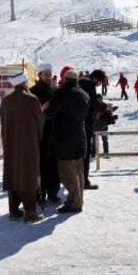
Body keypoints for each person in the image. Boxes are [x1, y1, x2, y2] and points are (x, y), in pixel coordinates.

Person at [1, 71, 45, 222]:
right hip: (29, 144)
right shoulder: (32, 100)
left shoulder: (5, 100)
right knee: (29, 175)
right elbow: (41, 124)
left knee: (13, 174)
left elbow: (3, 123)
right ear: (25, 83)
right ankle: (30, 212)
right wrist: (39, 138)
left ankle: (13, 210)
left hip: (10, 144)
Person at [48, 69, 89, 213]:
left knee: (67, 174)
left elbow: (50, 113)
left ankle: (74, 204)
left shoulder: (62, 93)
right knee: (79, 173)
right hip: (80, 137)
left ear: (65, 79)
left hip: (65, 139)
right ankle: (79, 201)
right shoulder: (84, 94)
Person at [29, 63, 61, 205]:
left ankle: (53, 194)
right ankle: (40, 194)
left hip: (54, 133)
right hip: (40, 135)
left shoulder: (55, 90)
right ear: (40, 75)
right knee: (41, 166)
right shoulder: (33, 91)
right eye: (45, 74)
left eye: (49, 74)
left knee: (54, 166)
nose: (48, 77)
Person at [79, 69, 107, 190]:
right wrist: (106, 107)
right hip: (86, 122)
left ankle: (77, 180)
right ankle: (84, 180)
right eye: (100, 82)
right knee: (85, 153)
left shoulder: (80, 81)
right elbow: (93, 102)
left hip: (77, 122)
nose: (100, 85)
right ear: (96, 79)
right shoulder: (89, 84)